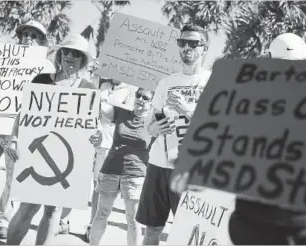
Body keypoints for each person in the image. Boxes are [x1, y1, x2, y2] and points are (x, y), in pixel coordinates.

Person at [171, 32, 306, 245]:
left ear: (268, 58)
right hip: (279, 224)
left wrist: (199, 171)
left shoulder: (246, 96)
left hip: (262, 223)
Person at [5, 33, 102, 245]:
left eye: (75, 53)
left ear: (82, 60)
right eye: (66, 51)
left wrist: (97, 136)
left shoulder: (89, 89)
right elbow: (24, 114)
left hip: (68, 159)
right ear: (59, 55)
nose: (69, 56)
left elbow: (94, 126)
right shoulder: (41, 80)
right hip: (35, 155)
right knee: (28, 207)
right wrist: (13, 138)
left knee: (53, 210)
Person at [135, 24, 211, 245]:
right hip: (159, 164)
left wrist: (187, 109)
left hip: (192, 168)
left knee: (189, 234)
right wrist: (155, 129)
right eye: (182, 42)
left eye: (193, 43)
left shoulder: (213, 82)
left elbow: (219, 127)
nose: (186, 47)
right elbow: (150, 126)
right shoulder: (165, 83)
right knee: (152, 229)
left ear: (204, 48)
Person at [0, 20, 49, 240]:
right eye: (26, 34)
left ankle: (1, 219)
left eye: (35, 36)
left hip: (18, 132)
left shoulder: (46, 68)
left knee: (12, 180)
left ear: (41, 41)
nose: (29, 38)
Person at [89, 88, 155, 246]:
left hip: (136, 175)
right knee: (101, 213)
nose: (140, 99)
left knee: (133, 221)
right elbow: (96, 103)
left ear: (152, 102)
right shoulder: (121, 113)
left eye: (145, 97)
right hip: (110, 170)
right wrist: (95, 80)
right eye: (138, 95)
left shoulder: (154, 123)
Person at [84, 65, 137, 242]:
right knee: (87, 182)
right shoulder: (102, 85)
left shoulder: (131, 90)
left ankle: (92, 226)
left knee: (99, 186)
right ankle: (68, 221)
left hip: (108, 143)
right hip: (90, 138)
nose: (117, 69)